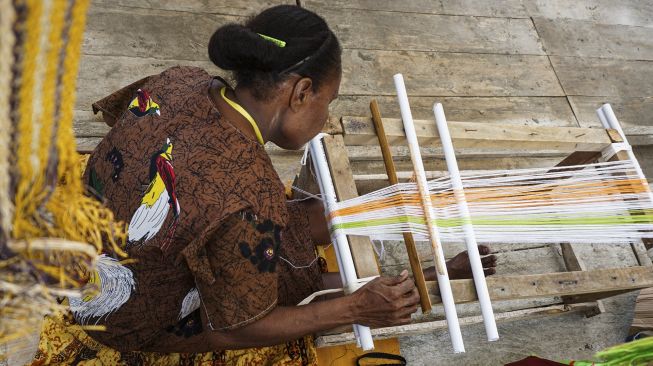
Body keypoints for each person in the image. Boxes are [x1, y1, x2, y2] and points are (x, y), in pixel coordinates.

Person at [33, 5, 496, 364]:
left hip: (82, 235)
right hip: (119, 312)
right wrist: (353, 310)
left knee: (263, 230)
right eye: (327, 102)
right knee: (283, 273)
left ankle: (406, 259)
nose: (326, 118)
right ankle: (411, 283)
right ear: (300, 93)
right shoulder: (251, 199)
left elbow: (145, 139)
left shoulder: (181, 80)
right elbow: (239, 328)